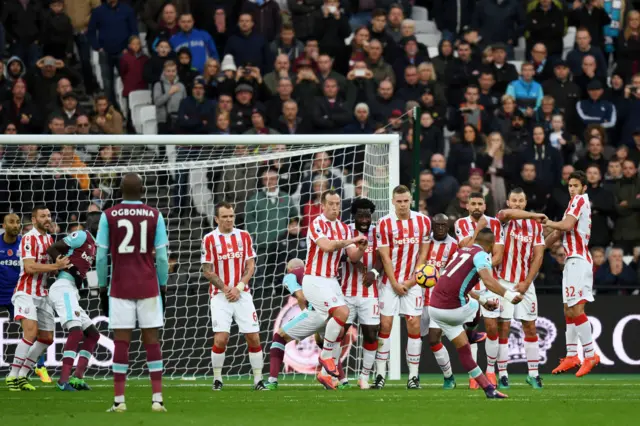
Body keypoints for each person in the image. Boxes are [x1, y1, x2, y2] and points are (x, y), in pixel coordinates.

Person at [96, 173, 170, 412]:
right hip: (148, 285)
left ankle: (119, 401)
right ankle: (157, 399)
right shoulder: (155, 215)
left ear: (119, 190)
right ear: (143, 190)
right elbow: (161, 256)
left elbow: (100, 257)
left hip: (120, 286)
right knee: (151, 341)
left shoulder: (108, 215)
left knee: (121, 342)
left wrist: (101, 286)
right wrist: (163, 284)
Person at [429, 223, 523, 400]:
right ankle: (471, 332)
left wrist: (483, 300)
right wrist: (509, 295)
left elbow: (457, 283)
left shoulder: (461, 251)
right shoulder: (481, 255)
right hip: (453, 310)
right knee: (473, 305)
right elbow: (488, 281)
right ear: (492, 244)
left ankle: (489, 389)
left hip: (434, 308)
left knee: (464, 351)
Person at [302, 189, 368, 389]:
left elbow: (353, 257)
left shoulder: (344, 228)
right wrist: (353, 240)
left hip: (331, 280)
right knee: (343, 312)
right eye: (330, 203)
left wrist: (362, 247)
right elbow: (327, 246)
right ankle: (325, 357)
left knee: (341, 328)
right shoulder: (316, 224)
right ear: (323, 205)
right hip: (314, 278)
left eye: (337, 204)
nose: (334, 207)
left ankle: (325, 375)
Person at [200, 201, 266, 391]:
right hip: (220, 296)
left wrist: (238, 287)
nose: (229, 219)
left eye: (231, 216)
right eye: (225, 217)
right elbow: (207, 270)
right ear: (216, 219)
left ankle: (258, 380)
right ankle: (218, 379)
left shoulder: (244, 236)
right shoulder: (209, 239)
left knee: (253, 337)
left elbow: (251, 266)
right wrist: (226, 289)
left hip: (242, 294)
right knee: (221, 338)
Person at [5, 206, 69, 391]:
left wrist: (63, 265)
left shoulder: (49, 239)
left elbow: (52, 268)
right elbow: (30, 267)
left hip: (42, 293)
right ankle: (12, 375)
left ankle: (23, 375)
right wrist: (54, 266)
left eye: (49, 216)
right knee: (31, 333)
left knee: (47, 338)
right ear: (34, 220)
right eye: (43, 216)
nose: (47, 219)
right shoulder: (28, 238)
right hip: (25, 292)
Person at [543, 171, 599, 377]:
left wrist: (546, 221)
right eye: (570, 186)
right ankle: (572, 356)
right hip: (571, 261)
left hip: (579, 260)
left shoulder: (579, 201)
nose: (572, 189)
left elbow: (564, 225)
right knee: (568, 309)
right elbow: (559, 232)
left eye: (576, 185)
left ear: (584, 188)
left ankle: (590, 354)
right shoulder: (574, 204)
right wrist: (537, 248)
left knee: (576, 309)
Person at [375, 185, 431, 390]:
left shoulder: (423, 221)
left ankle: (413, 377)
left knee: (414, 326)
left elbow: (423, 255)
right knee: (386, 326)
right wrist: (395, 283)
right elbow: (385, 257)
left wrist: (410, 281)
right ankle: (380, 375)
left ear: (411, 200)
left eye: (406, 201)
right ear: (392, 201)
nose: (402, 205)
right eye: (399, 201)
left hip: (413, 282)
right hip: (389, 283)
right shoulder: (383, 224)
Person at [490, 189, 547, 389]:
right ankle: (503, 374)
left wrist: (526, 282)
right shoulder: (502, 219)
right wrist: (533, 214)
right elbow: (508, 213)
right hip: (503, 281)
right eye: (514, 200)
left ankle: (533, 374)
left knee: (530, 326)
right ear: (508, 201)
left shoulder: (535, 227)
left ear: (525, 201)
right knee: (503, 326)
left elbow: (538, 256)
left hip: (525, 283)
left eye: (521, 200)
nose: (517, 203)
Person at [46, 212, 103, 391]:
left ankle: (77, 377)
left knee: (93, 334)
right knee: (76, 332)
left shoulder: (94, 244)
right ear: (95, 224)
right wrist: (64, 265)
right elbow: (53, 248)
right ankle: (63, 380)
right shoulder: (82, 236)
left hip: (72, 290)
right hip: (62, 287)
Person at [454, 192, 504, 389]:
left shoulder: (496, 224)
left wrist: (483, 268)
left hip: (488, 280)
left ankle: (491, 371)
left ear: (485, 206)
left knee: (492, 326)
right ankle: (474, 375)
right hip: (468, 282)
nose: (476, 207)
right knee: (470, 328)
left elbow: (498, 255)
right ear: (467, 206)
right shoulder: (460, 224)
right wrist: (478, 230)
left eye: (479, 204)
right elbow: (464, 249)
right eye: (472, 203)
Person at [339, 198, 381, 390]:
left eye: (367, 215)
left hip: (370, 292)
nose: (364, 219)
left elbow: (383, 256)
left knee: (371, 335)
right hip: (346, 291)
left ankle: (364, 377)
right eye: (360, 215)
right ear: (353, 215)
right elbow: (342, 256)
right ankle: (336, 375)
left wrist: (375, 272)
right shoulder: (346, 231)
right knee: (338, 333)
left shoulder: (378, 232)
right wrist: (353, 258)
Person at [265, 258, 326, 389]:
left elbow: (300, 296)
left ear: (289, 269)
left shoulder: (291, 276)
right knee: (327, 346)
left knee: (279, 336)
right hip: (331, 312)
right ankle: (343, 381)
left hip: (315, 312)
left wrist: (308, 316)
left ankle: (272, 380)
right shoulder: (315, 272)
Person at [420, 214, 458, 390]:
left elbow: (454, 273)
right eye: (437, 225)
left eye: (444, 225)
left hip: (439, 299)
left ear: (448, 227)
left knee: (434, 339)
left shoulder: (454, 246)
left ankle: (448, 377)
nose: (440, 228)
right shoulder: (424, 242)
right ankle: (414, 376)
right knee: (415, 337)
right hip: (418, 297)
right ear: (432, 227)